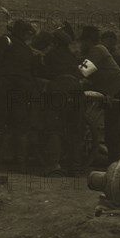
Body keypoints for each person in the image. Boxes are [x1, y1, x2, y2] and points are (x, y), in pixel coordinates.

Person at [0, 20, 37, 172]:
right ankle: (22, 164)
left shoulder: (4, 40)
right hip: (23, 87)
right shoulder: (27, 49)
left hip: (4, 85)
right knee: (21, 123)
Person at [78, 26, 120, 164]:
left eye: (82, 42)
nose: (80, 45)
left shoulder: (97, 50)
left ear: (88, 41)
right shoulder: (96, 51)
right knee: (112, 132)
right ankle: (115, 164)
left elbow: (84, 71)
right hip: (117, 90)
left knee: (117, 132)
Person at [40, 27, 84, 175]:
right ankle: (76, 167)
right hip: (77, 91)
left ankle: (53, 165)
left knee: (54, 127)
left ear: (56, 42)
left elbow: (46, 73)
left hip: (59, 90)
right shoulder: (72, 57)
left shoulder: (51, 55)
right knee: (75, 128)